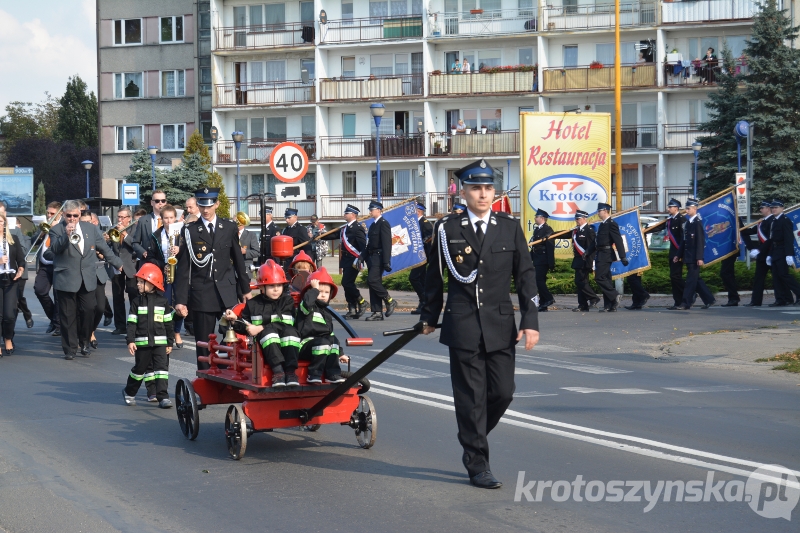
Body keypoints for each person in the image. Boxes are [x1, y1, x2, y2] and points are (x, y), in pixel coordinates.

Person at [420, 158, 539, 489]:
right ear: (463, 192)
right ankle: (477, 461)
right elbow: (435, 277)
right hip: (463, 325)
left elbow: (526, 277)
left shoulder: (509, 227)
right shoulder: (448, 229)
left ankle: (470, 432)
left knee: (503, 392)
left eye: (488, 188)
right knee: (470, 397)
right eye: (476, 188)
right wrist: (429, 315)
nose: (483, 194)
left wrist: (531, 320)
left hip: (501, 325)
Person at [174, 188, 251, 369]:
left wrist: (245, 289)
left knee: (233, 338)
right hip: (202, 293)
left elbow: (239, 261)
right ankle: (206, 378)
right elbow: (184, 269)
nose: (205, 210)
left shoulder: (229, 227)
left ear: (217, 204)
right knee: (204, 343)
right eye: (201, 205)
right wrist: (180, 301)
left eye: (209, 205)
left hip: (227, 292)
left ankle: (229, 373)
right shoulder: (190, 230)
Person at [49, 200, 123, 360]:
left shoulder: (90, 229)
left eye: (75, 215)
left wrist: (118, 264)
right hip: (66, 278)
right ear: (63, 215)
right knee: (68, 316)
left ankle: (85, 341)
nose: (72, 219)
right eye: (69, 216)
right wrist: (66, 236)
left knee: (90, 310)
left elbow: (104, 248)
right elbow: (54, 249)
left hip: (87, 277)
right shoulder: (56, 230)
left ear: (80, 214)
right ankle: (70, 349)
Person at [227, 260, 300, 387]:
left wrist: (260, 327)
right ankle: (278, 373)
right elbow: (246, 327)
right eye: (271, 286)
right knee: (269, 333)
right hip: (264, 349)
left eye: (279, 285)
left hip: (287, 347)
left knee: (291, 332)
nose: (276, 289)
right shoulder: (253, 304)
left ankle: (290, 372)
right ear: (261, 287)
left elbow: (285, 324)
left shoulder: (287, 301)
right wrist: (234, 320)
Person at [122, 263, 174, 408]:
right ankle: (129, 392)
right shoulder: (136, 302)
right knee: (139, 370)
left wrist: (170, 342)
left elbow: (168, 324)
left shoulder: (163, 302)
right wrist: (130, 340)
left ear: (151, 282)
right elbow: (131, 323)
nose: (137, 284)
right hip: (142, 344)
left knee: (162, 370)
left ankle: (162, 396)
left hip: (160, 343)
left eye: (141, 281)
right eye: (137, 282)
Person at [296, 267, 349, 383]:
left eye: (327, 292)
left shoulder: (326, 313)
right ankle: (313, 375)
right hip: (304, 345)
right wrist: (314, 290)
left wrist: (340, 353)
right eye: (319, 291)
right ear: (310, 292)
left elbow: (331, 334)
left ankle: (332, 374)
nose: (323, 295)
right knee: (324, 343)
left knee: (332, 340)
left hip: (321, 345)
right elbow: (307, 303)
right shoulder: (306, 307)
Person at [319, 204, 367, 319]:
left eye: (347, 213)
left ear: (353, 215)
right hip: (345, 259)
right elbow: (334, 235)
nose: (344, 215)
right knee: (346, 285)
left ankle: (362, 301)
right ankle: (351, 309)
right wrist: (320, 236)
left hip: (354, 259)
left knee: (347, 283)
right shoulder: (344, 228)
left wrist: (361, 258)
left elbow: (363, 246)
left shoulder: (358, 228)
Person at [676, 198, 715, 310]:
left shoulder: (697, 223)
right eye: (686, 208)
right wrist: (678, 255)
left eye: (688, 208)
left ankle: (686, 303)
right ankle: (709, 299)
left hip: (694, 257)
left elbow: (700, 241)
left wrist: (699, 257)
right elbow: (684, 241)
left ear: (695, 209)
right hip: (688, 256)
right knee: (696, 279)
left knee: (690, 281)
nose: (686, 210)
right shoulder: (688, 223)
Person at [361, 201, 397, 321]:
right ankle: (377, 312)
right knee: (373, 284)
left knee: (372, 280)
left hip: (379, 257)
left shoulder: (383, 224)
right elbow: (369, 244)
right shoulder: (372, 225)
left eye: (372, 210)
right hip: (371, 257)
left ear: (379, 210)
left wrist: (386, 261)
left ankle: (390, 300)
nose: (370, 212)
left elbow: (387, 244)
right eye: (370, 210)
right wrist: (361, 257)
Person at [34, 201, 62, 336]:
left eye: (52, 213)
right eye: (48, 213)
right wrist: (42, 232)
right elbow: (33, 240)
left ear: (59, 213)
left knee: (58, 296)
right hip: (45, 265)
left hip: (58, 265)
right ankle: (54, 319)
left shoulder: (63, 225)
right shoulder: (45, 225)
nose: (49, 215)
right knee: (40, 290)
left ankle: (58, 325)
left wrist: (55, 229)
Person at [110, 207, 139, 335]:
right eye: (119, 217)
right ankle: (120, 326)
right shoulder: (114, 229)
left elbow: (136, 246)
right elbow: (112, 247)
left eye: (123, 217)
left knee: (133, 296)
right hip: (117, 266)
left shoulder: (136, 229)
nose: (120, 220)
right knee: (117, 297)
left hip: (131, 266)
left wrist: (124, 235)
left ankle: (133, 326)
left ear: (129, 218)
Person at [742, 201, 777, 307]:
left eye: (762, 208)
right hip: (762, 255)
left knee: (778, 277)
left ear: (768, 209)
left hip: (771, 254)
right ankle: (756, 301)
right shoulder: (761, 222)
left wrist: (759, 249)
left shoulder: (773, 221)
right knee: (758, 278)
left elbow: (770, 240)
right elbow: (748, 232)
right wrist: (739, 224)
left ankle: (784, 298)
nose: (760, 210)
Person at [594, 203, 628, 312]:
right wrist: (588, 252)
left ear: (605, 210)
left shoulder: (611, 224)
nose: (598, 213)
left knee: (599, 277)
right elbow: (597, 242)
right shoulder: (602, 224)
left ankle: (614, 295)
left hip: (606, 254)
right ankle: (609, 305)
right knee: (606, 280)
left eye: (599, 211)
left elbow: (618, 240)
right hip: (600, 253)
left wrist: (622, 256)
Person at [0, 214, 25, 356]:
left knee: (9, 315)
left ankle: (8, 338)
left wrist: (21, 269)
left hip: (11, 279)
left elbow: (21, 259)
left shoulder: (12, 240)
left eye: (1, 222)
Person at [565, 210, 600, 312]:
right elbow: (564, 235)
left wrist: (590, 260)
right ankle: (583, 305)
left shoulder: (589, 230)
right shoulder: (576, 231)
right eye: (576, 219)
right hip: (578, 260)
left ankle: (594, 298)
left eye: (578, 219)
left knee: (581, 281)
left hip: (585, 260)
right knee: (580, 283)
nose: (577, 221)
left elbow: (592, 247)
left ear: (584, 219)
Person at [767, 199, 800, 306]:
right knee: (776, 276)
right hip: (775, 251)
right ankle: (780, 299)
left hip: (783, 251)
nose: (774, 209)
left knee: (784, 275)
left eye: (776, 207)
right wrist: (769, 254)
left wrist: (789, 254)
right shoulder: (774, 221)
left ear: (782, 208)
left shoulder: (785, 220)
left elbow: (788, 238)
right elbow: (772, 239)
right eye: (772, 208)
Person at [528, 208, 555, 312]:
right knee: (540, 280)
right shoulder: (537, 229)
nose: (535, 218)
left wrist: (551, 262)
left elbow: (550, 247)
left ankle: (549, 298)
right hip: (537, 258)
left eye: (537, 216)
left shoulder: (548, 230)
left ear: (542, 218)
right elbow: (534, 247)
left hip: (543, 259)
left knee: (538, 280)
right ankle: (544, 304)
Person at [409, 202, 433, 314]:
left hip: (422, 256)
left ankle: (424, 301)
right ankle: (424, 303)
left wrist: (419, 244)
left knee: (414, 278)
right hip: (416, 256)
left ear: (418, 212)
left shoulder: (425, 223)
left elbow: (429, 239)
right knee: (422, 280)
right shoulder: (415, 223)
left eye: (414, 211)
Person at [132, 190, 168, 265]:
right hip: (148, 262)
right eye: (157, 201)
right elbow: (135, 242)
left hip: (167, 261)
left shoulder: (171, 220)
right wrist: (143, 252)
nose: (160, 203)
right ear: (152, 203)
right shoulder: (143, 220)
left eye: (163, 201)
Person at [664, 198, 686, 310]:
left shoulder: (681, 220)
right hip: (672, 252)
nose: (668, 209)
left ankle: (688, 294)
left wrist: (679, 253)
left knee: (676, 276)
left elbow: (683, 238)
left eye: (670, 207)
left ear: (676, 208)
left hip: (678, 252)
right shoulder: (670, 220)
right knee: (673, 278)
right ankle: (677, 302)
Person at [719, 217, 743, 307]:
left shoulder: (734, 216)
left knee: (726, 273)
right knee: (727, 274)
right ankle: (733, 298)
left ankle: (734, 298)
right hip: (724, 249)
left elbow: (741, 230)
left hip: (731, 248)